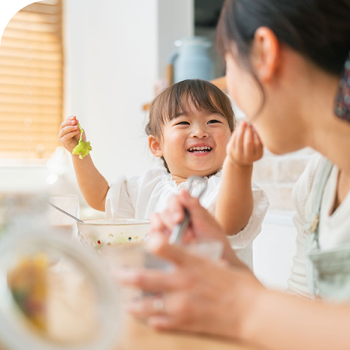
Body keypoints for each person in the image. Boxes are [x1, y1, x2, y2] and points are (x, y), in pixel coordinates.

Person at [117, 0, 350, 349]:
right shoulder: (315, 184)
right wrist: (230, 276)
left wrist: (243, 306)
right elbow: (306, 313)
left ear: (264, 53)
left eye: (228, 66)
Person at [59, 79, 268, 268]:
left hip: (216, 306)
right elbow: (102, 198)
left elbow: (228, 224)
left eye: (213, 121)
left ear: (231, 136)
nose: (199, 132)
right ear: (157, 145)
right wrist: (80, 153)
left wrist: (239, 165)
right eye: (184, 123)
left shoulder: (231, 188)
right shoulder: (148, 186)